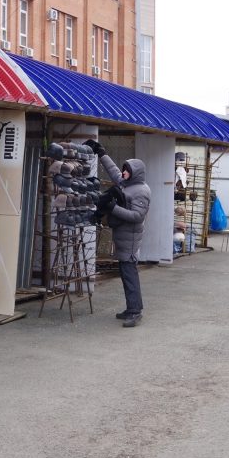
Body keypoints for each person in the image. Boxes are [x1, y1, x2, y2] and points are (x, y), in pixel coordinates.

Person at [84, 139, 151, 328]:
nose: (123, 173)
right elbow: (114, 171)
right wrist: (102, 153)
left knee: (130, 275)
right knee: (126, 274)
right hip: (123, 236)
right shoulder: (127, 184)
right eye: (124, 169)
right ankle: (131, 308)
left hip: (130, 240)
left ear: (135, 173)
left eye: (126, 170)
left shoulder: (141, 191)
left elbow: (137, 216)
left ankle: (135, 312)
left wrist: (113, 208)